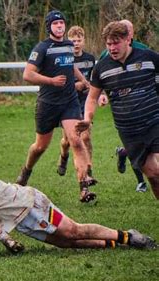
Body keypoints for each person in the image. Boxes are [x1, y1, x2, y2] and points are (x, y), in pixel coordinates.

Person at [0, 156, 157, 251]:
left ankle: (129, 236)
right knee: (65, 243)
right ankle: (111, 245)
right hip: (18, 218)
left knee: (74, 231)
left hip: (30, 205)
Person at [15, 10, 96, 203]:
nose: (59, 26)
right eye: (55, 23)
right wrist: (51, 81)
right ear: (49, 27)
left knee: (76, 141)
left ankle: (84, 187)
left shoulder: (68, 45)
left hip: (69, 101)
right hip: (48, 104)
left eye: (61, 23)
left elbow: (71, 66)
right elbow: (28, 74)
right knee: (40, 146)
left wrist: (84, 80)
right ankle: (26, 171)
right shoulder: (42, 48)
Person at [76, 22, 159, 199]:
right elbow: (91, 97)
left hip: (154, 122)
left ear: (128, 39)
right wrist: (87, 119)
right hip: (129, 132)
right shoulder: (102, 68)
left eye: (116, 42)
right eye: (108, 43)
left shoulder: (149, 57)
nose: (112, 47)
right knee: (153, 176)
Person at [56, 26, 108, 177]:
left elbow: (96, 82)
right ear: (68, 41)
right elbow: (59, 82)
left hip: (85, 101)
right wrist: (74, 85)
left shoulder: (90, 59)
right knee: (67, 140)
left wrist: (101, 95)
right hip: (67, 102)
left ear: (84, 41)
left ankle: (89, 169)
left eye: (79, 40)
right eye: (73, 40)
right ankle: (64, 156)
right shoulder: (64, 60)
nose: (76, 43)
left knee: (86, 137)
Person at [105, 20, 149, 193]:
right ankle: (141, 182)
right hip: (124, 110)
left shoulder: (143, 50)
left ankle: (124, 152)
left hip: (147, 104)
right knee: (138, 146)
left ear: (131, 34)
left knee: (145, 147)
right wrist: (102, 95)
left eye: (129, 31)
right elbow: (100, 79)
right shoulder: (108, 54)